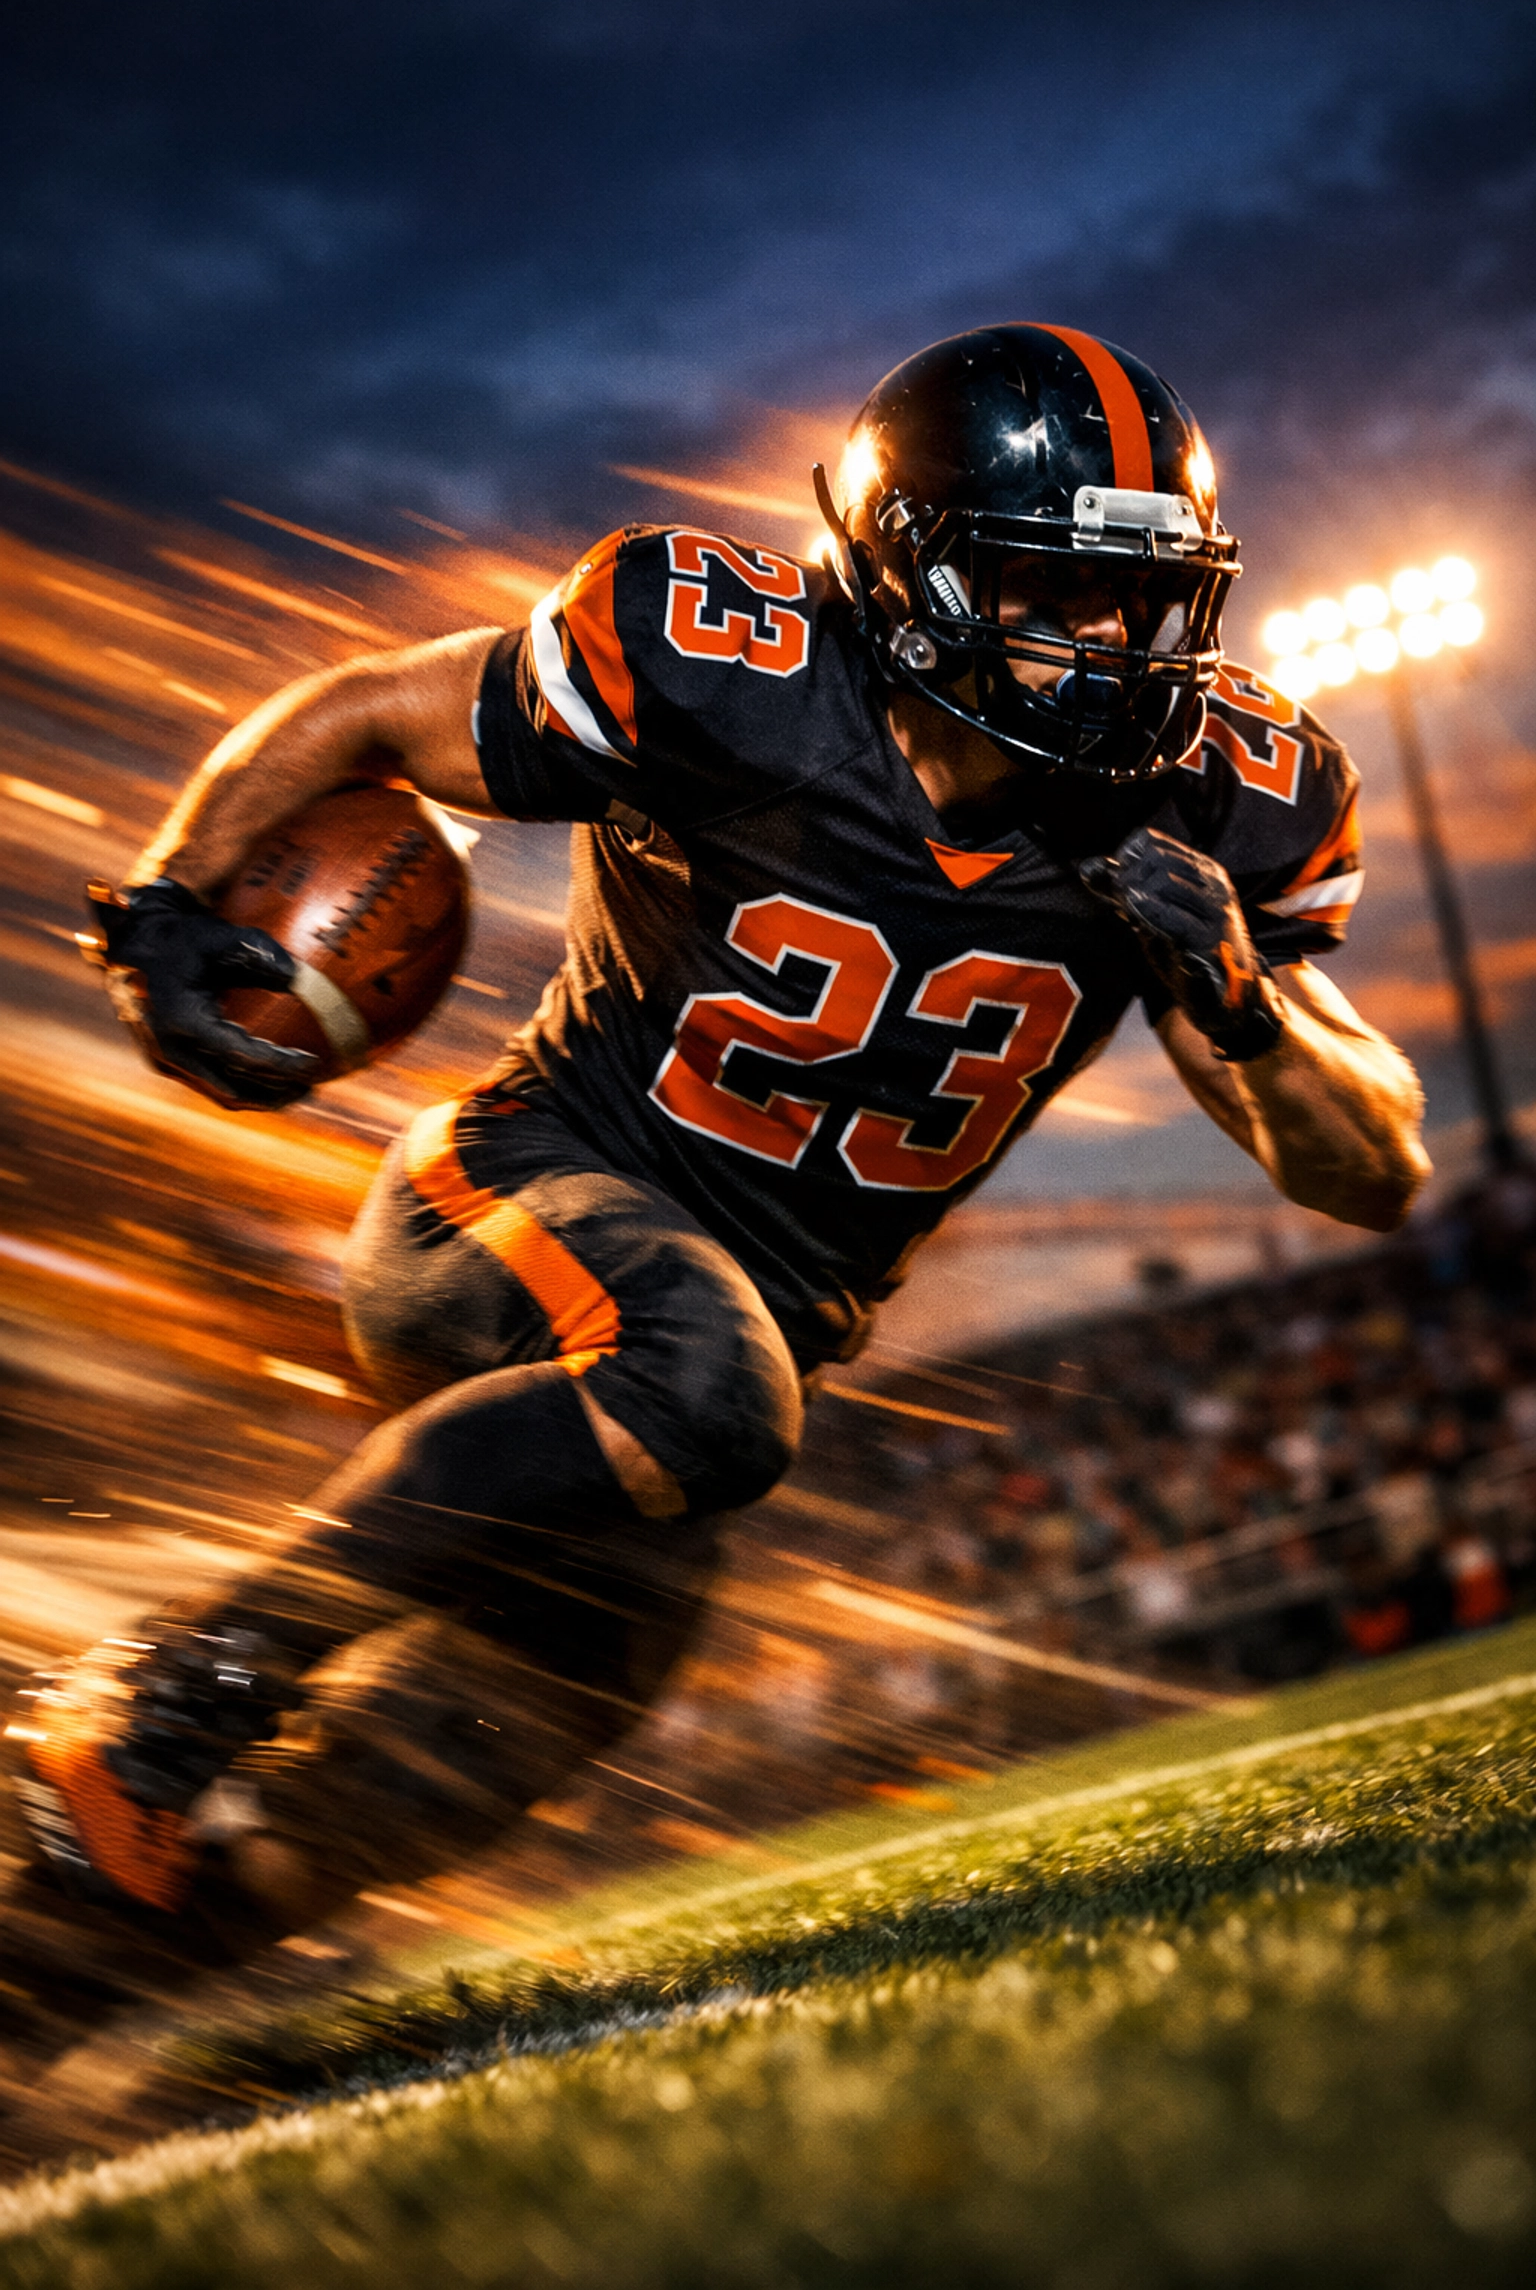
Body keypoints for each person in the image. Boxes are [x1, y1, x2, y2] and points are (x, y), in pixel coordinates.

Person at [10, 323, 1430, 1958]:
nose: (1111, 643)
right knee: (702, 1383)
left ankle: (85, 1975)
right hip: (507, 1206)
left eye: (1143, 595)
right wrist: (168, 901)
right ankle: (163, 1699)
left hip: (722, 1376)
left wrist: (1244, 1008)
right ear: (912, 575)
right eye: (1054, 588)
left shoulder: (1204, 798)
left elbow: (1374, 1170)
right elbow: (375, 712)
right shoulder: (731, 674)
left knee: (494, 1739)